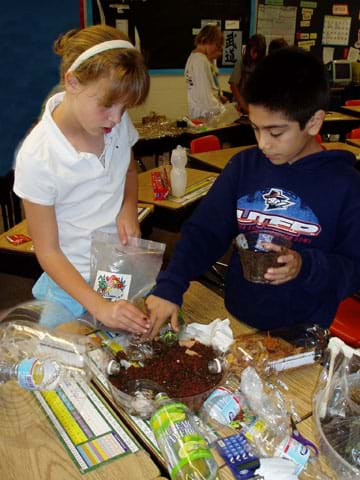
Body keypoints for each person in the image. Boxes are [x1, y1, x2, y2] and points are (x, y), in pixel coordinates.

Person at [145, 46, 360, 338]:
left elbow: (353, 269)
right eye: (256, 129)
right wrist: (171, 284)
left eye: (275, 133)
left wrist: (305, 266)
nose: (262, 144)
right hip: (236, 316)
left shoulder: (345, 185)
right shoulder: (244, 166)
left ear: (314, 122)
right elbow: (205, 231)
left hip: (303, 332)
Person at [14, 24, 151, 333]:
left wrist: (128, 207)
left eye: (124, 107)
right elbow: (47, 251)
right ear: (72, 82)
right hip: (69, 284)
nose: (116, 118)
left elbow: (129, 168)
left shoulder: (116, 122)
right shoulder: (39, 156)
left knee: (121, 351)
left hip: (114, 270)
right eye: (106, 106)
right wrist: (99, 306)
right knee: (58, 363)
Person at [185, 24, 227, 119]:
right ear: (208, 41)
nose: (217, 49)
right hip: (204, 115)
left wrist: (219, 97)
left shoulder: (195, 57)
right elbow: (206, 98)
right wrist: (223, 110)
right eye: (217, 45)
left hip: (199, 112)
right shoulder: (200, 61)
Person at [228, 33, 266, 113]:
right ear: (249, 49)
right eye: (254, 51)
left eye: (258, 53)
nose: (255, 55)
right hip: (240, 104)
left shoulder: (263, 63)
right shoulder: (242, 62)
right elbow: (233, 85)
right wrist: (242, 103)